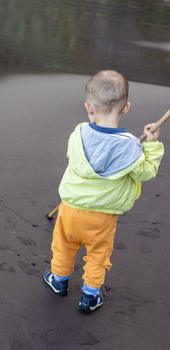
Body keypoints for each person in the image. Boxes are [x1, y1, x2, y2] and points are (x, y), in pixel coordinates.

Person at [43, 70, 164, 313]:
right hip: (102, 217)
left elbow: (73, 159)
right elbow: (146, 173)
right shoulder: (131, 146)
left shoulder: (78, 134)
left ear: (89, 107)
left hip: (71, 209)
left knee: (64, 246)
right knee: (98, 255)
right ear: (126, 107)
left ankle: (59, 280)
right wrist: (151, 146)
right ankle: (90, 295)